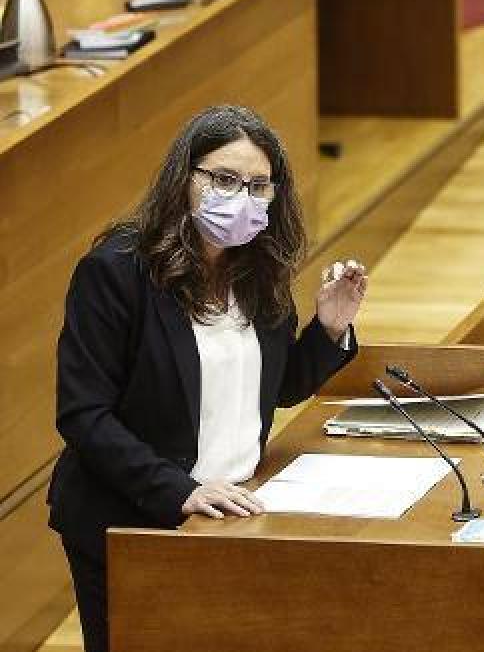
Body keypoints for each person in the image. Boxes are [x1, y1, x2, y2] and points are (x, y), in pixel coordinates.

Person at [47, 105, 368, 652]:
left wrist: (329, 329)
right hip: (134, 519)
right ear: (184, 179)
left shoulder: (259, 270)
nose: (240, 196)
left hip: (231, 515)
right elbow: (84, 415)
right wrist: (183, 492)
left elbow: (276, 388)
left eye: (258, 186)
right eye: (223, 179)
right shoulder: (118, 272)